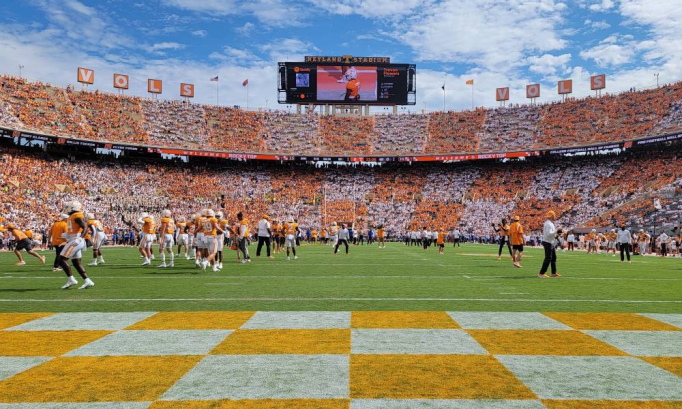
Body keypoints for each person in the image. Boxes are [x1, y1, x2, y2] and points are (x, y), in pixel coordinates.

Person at [59, 201, 94, 290]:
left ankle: (71, 279)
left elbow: (85, 227)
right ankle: (87, 281)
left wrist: (80, 237)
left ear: (73, 207)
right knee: (76, 263)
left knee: (62, 259)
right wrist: (68, 234)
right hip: (74, 239)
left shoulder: (76, 215)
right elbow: (75, 229)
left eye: (68, 207)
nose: (67, 208)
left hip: (76, 240)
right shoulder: (72, 216)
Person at [538, 211, 561, 278]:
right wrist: (556, 231)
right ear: (551, 216)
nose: (555, 216)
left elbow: (551, 234)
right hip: (548, 242)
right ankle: (541, 273)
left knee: (553, 258)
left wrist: (557, 235)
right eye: (554, 215)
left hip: (550, 242)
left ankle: (553, 272)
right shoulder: (548, 224)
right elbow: (548, 234)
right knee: (548, 258)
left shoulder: (550, 223)